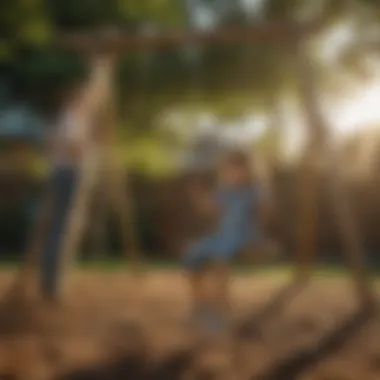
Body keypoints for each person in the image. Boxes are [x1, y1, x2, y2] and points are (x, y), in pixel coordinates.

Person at [183, 150, 263, 333]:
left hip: (245, 236)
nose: (230, 174)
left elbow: (263, 212)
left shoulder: (253, 191)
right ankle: (200, 306)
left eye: (235, 170)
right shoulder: (225, 190)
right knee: (192, 256)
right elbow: (209, 209)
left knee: (220, 261)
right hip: (222, 236)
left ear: (247, 170)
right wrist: (197, 195)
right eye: (227, 171)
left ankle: (221, 313)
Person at [39, 79, 90, 302]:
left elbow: (50, 144)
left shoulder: (62, 120)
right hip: (67, 173)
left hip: (59, 172)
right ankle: (52, 284)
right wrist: (86, 150)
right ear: (75, 101)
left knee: (57, 228)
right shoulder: (71, 121)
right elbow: (74, 148)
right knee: (61, 229)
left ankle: (49, 281)